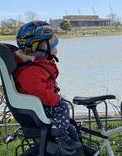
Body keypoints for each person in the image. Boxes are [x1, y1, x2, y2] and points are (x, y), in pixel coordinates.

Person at [13, 21, 81, 150]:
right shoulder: (31, 70)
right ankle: (60, 136)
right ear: (40, 48)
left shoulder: (36, 64)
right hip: (40, 107)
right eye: (53, 45)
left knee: (62, 106)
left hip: (40, 104)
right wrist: (55, 99)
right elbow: (38, 91)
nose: (56, 48)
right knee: (62, 107)